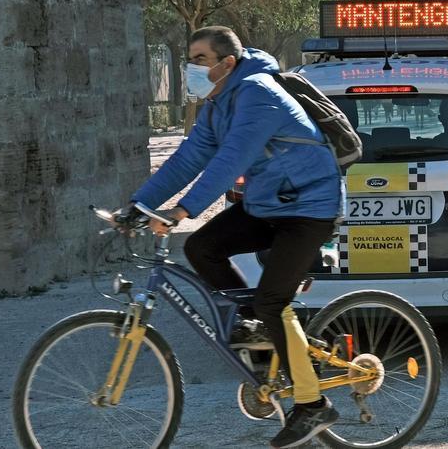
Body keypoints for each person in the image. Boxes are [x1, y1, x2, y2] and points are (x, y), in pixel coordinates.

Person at [128, 26, 342, 448]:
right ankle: (258, 340)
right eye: (189, 58)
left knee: (271, 301)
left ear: (228, 63)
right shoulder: (218, 104)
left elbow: (230, 161)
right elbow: (188, 158)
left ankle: (313, 404)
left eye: (200, 60)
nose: (192, 68)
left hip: (309, 208)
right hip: (269, 204)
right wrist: (136, 205)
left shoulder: (258, 93)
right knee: (201, 247)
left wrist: (183, 209)